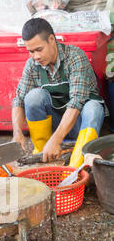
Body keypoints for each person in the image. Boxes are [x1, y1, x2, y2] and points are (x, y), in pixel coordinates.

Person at [12, 18, 105, 168]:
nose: (35, 56)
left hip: (80, 125)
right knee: (33, 97)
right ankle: (44, 154)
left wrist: (56, 139)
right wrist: (17, 133)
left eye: (39, 49)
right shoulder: (32, 65)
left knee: (93, 107)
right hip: (55, 125)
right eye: (31, 51)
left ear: (51, 39)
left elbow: (76, 103)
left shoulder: (75, 57)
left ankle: (77, 166)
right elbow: (19, 100)